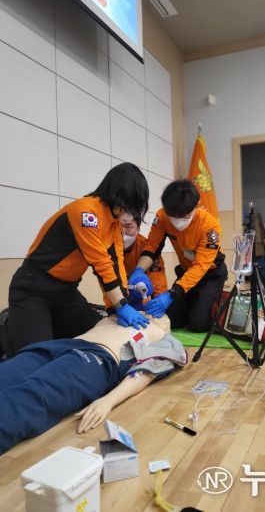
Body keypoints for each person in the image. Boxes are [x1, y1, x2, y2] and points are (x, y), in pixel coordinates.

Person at [0, 163, 150, 358]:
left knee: (98, 335)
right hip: (33, 289)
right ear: (118, 193)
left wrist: (115, 308)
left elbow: (116, 265)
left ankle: (43, 325)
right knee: (36, 357)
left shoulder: (114, 225)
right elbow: (101, 264)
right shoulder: (86, 212)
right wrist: (122, 306)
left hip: (66, 293)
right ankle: (7, 324)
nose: (131, 213)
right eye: (131, 205)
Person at [0, 314, 187, 454]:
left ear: (166, 325)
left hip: (94, 358)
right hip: (58, 346)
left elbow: (147, 370)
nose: (151, 311)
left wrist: (108, 400)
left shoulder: (165, 337)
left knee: (26, 399)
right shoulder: (119, 315)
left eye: (162, 315)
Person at [129, 179, 228, 332]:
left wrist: (172, 294)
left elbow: (200, 267)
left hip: (210, 274)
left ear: (196, 205)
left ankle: (217, 299)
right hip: (186, 272)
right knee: (172, 319)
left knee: (198, 324)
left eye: (184, 216)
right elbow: (152, 247)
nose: (177, 222)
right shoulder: (162, 216)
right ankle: (196, 302)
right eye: (172, 217)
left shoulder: (209, 226)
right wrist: (139, 270)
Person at [121, 215, 168, 308]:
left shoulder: (148, 250)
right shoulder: (107, 249)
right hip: (121, 297)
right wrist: (112, 307)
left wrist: (158, 302)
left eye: (128, 227)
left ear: (138, 229)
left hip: (146, 297)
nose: (122, 232)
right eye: (118, 227)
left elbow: (158, 281)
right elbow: (107, 282)